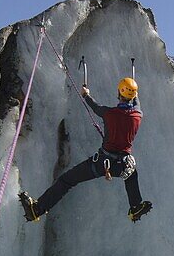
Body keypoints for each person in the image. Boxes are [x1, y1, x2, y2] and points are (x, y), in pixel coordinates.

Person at [20, 76, 153, 223]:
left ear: (119, 93)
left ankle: (37, 210)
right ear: (133, 96)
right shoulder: (137, 116)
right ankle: (135, 207)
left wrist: (86, 94)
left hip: (102, 163)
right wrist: (135, 94)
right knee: (131, 175)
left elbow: (95, 107)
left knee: (66, 180)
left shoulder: (110, 114)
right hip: (122, 165)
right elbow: (137, 104)